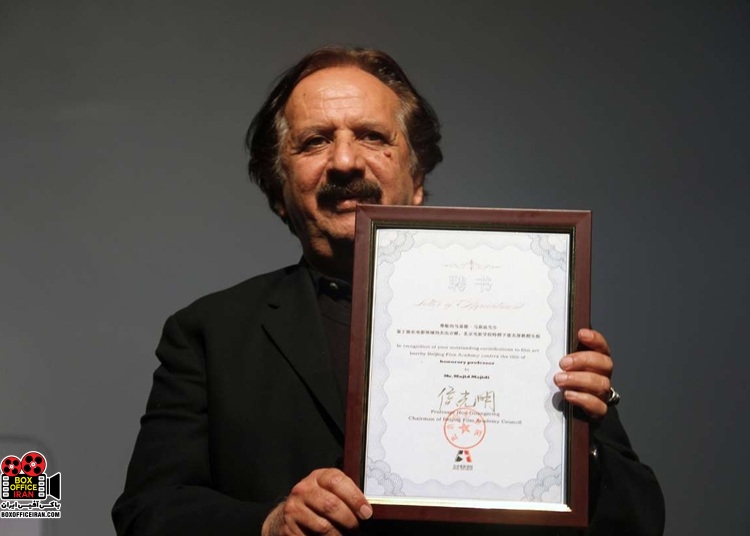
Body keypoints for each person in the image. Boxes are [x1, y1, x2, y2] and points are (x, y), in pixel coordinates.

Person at [112, 46, 664, 536]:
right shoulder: (209, 333)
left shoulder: (531, 315)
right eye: (314, 142)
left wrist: (582, 443)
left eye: (372, 137)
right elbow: (147, 513)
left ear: (417, 180)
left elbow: (638, 522)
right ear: (279, 192)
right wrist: (269, 525)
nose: (344, 161)